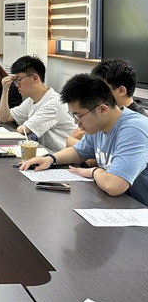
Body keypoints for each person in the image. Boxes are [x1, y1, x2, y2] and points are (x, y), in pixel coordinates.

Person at [21, 74, 148, 206]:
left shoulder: (134, 129)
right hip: (118, 204)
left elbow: (114, 185)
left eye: (79, 116)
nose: (76, 122)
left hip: (140, 207)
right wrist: (50, 159)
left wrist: (95, 171)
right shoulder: (99, 125)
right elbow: (78, 152)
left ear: (102, 109)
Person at [0, 55, 74, 152]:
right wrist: (5, 90)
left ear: (35, 78)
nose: (17, 85)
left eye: (19, 79)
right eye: (15, 80)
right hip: (46, 153)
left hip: (61, 156)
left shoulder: (54, 103)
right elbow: (4, 118)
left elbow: (22, 130)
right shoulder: (31, 100)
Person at [66, 59, 148, 147]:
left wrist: (72, 141)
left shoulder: (136, 125)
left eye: (102, 90)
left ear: (121, 91)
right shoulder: (101, 114)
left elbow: (93, 152)